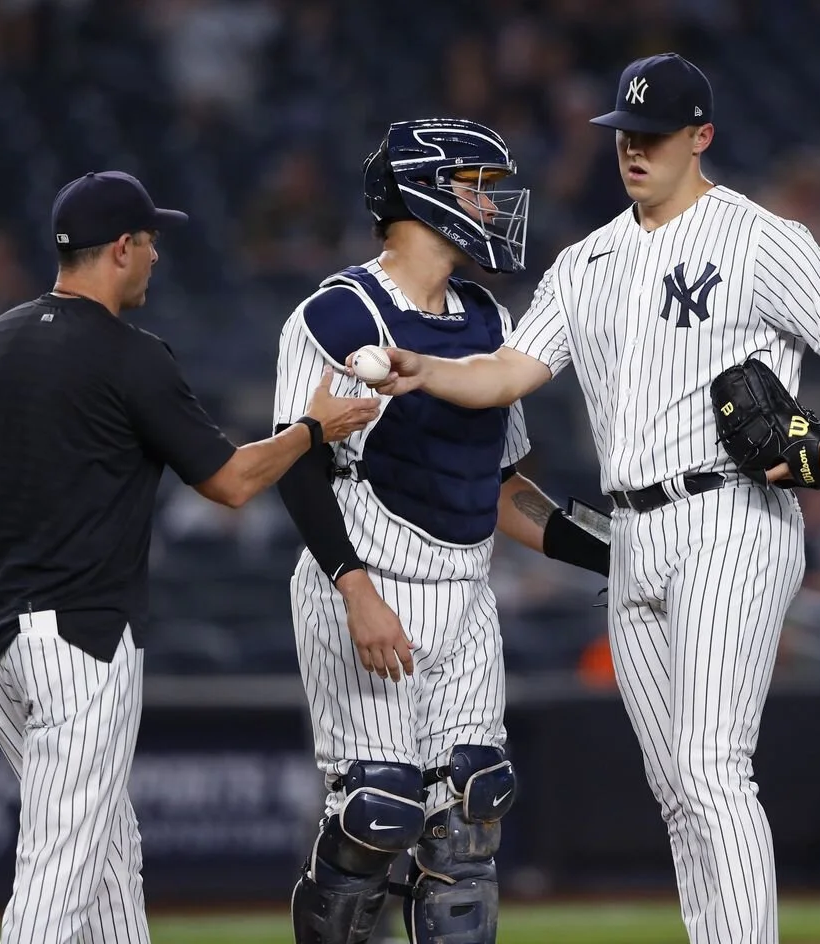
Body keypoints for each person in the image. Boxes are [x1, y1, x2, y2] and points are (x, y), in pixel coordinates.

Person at [358, 56, 820, 944]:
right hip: (633, 535)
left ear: (702, 137)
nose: (634, 149)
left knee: (710, 763)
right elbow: (507, 373)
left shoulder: (763, 238)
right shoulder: (589, 260)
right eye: (624, 134)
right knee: (678, 787)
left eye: (653, 134)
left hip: (732, 517)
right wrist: (427, 370)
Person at [0, 170, 379, 944]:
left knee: (106, 854)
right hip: (80, 645)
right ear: (123, 249)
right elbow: (232, 482)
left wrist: (21, 559)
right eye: (151, 242)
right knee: (58, 870)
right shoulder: (128, 355)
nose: (158, 257)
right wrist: (312, 430)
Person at [273, 119, 609, 944]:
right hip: (365, 575)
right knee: (379, 806)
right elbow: (293, 464)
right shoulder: (337, 312)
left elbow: (501, 488)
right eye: (476, 185)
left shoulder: (488, 321)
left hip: (465, 591)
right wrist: (355, 591)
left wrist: (612, 550)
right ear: (423, 194)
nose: (492, 204)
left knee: (471, 808)